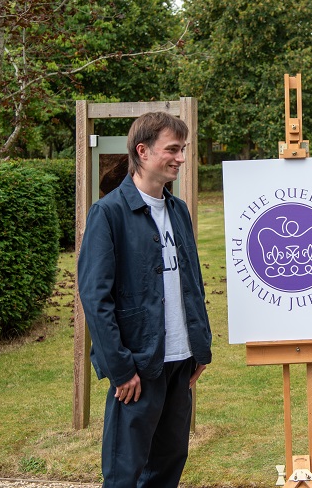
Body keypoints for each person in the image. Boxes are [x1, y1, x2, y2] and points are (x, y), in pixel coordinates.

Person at [78, 111, 212, 488]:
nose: (180, 158)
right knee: (125, 472)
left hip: (180, 361)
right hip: (138, 366)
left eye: (182, 149)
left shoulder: (178, 210)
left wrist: (199, 348)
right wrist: (120, 369)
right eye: (173, 149)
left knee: (169, 462)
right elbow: (94, 297)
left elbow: (193, 283)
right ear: (143, 150)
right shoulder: (109, 213)